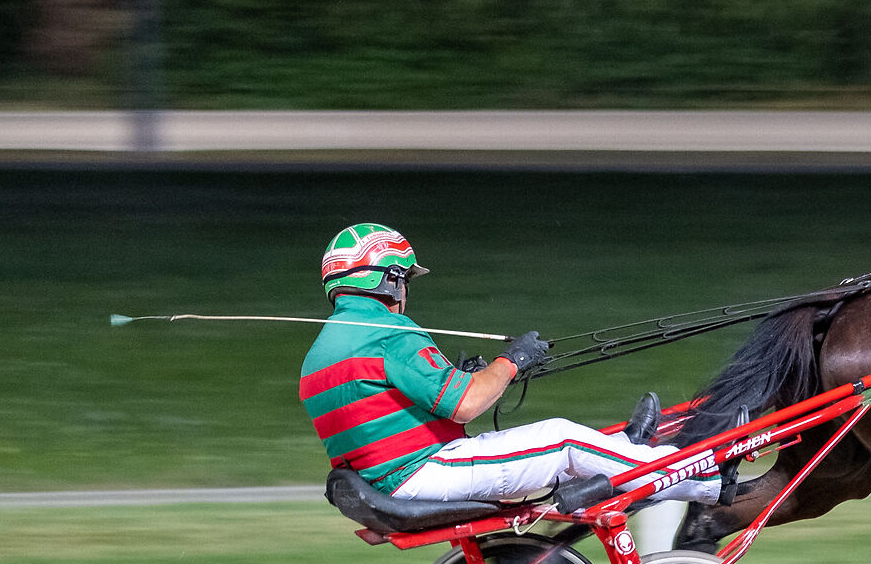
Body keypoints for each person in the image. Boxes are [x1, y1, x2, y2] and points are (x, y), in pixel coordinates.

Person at [300, 224, 715, 541]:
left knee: (571, 456)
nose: (406, 290)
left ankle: (626, 451)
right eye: (404, 279)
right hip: (422, 473)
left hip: (391, 481)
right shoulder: (389, 333)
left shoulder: (320, 355)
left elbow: (386, 410)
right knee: (561, 441)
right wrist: (511, 361)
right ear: (389, 280)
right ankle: (706, 481)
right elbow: (466, 404)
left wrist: (464, 376)